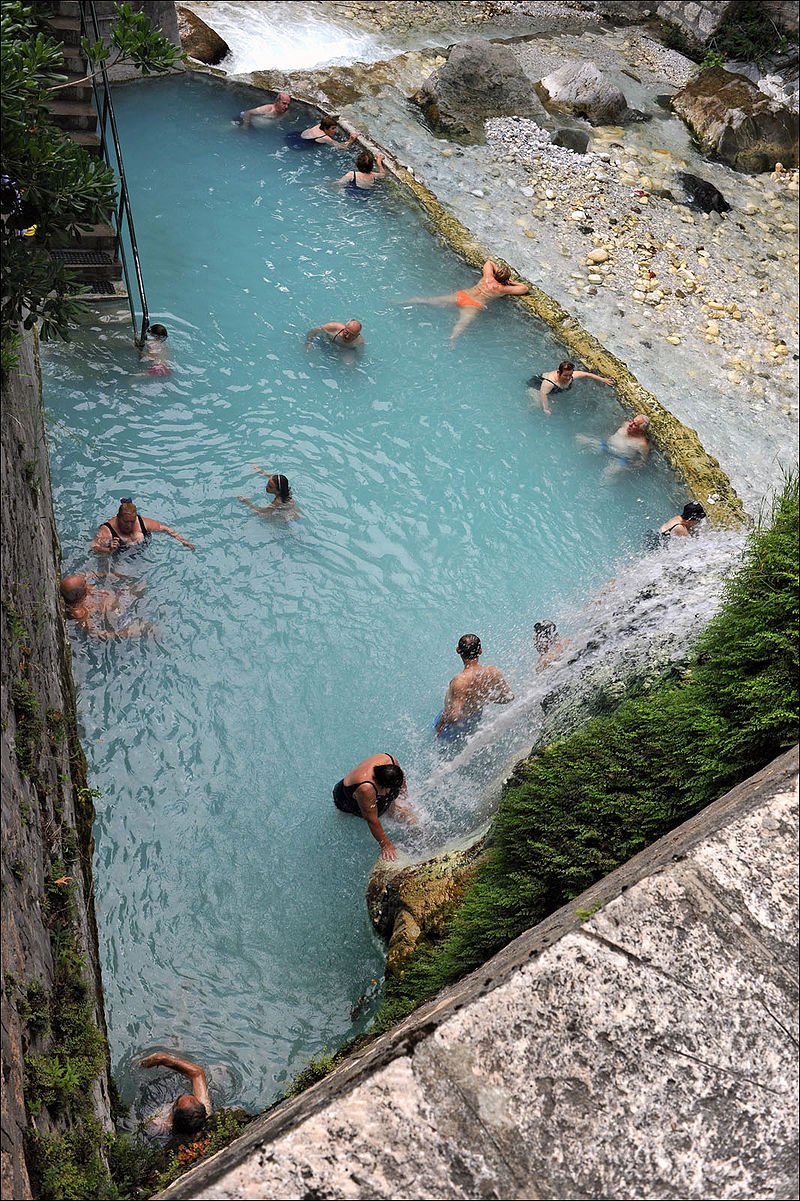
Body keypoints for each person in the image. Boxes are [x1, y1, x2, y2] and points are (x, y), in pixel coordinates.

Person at [404, 259, 530, 344]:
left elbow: (489, 262)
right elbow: (524, 288)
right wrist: (511, 282)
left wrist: (496, 271)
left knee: (431, 300)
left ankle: (412, 301)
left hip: (463, 295)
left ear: (495, 274)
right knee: (461, 323)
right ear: (505, 280)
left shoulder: (487, 277)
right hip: (473, 304)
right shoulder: (503, 288)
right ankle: (451, 340)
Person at [435, 634, 514, 745]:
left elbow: (454, 716)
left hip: (454, 726)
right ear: (480, 651)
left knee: (441, 750)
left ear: (458, 650)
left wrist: (443, 720)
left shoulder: (460, 681)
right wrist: (488, 698)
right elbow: (509, 697)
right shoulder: (493, 671)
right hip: (475, 718)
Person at [332, 753, 412, 860]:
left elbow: (401, 778)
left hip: (372, 785)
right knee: (378, 812)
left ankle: (398, 814)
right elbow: (371, 820)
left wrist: (405, 798)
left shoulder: (390, 761)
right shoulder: (366, 788)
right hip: (345, 798)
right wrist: (386, 845)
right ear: (381, 785)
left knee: (394, 799)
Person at [60, 573, 154, 639]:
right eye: (84, 584)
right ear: (78, 595)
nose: (87, 583)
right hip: (118, 617)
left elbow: (92, 575)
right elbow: (95, 634)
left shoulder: (82, 592)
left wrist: (116, 576)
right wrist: (123, 633)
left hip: (118, 598)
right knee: (150, 629)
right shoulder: (79, 612)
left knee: (141, 585)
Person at [139, 1052, 211, 1138]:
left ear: (173, 1112)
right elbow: (197, 1073)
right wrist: (164, 1059)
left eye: (177, 1102)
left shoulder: (159, 1125)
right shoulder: (205, 1111)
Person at [90, 499, 195, 554]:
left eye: (132, 521)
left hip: (142, 552)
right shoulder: (107, 530)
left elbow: (165, 529)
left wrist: (183, 541)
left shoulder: (141, 522)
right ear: (118, 517)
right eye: (125, 522)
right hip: (121, 557)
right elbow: (94, 548)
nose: (129, 525)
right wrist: (109, 550)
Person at [527, 360, 614, 416]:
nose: (568, 378)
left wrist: (603, 380)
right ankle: (527, 414)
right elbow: (543, 393)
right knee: (538, 405)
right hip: (537, 386)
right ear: (558, 373)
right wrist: (546, 408)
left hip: (551, 390)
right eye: (565, 375)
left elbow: (587, 374)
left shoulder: (571, 376)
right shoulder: (549, 382)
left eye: (570, 375)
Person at [577, 414, 651, 478]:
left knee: (607, 474)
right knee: (579, 438)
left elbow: (642, 463)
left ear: (641, 430)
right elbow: (610, 431)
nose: (630, 424)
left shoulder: (642, 444)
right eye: (632, 421)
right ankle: (578, 460)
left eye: (635, 425)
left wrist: (626, 468)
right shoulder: (625, 425)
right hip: (607, 446)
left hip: (620, 459)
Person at [290, 115, 358, 149]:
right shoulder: (325, 138)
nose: (335, 131)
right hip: (298, 145)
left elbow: (326, 119)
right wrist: (351, 140)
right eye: (333, 128)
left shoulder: (319, 125)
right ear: (325, 128)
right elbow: (341, 147)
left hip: (295, 136)